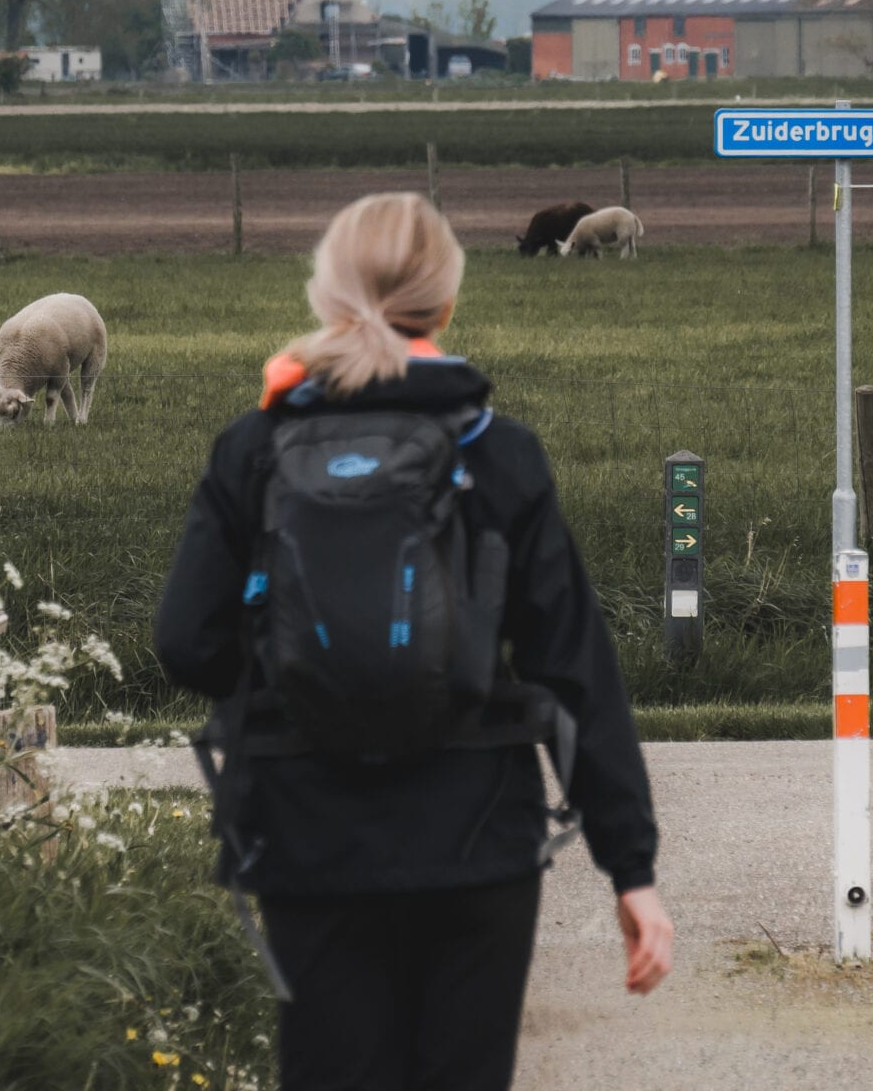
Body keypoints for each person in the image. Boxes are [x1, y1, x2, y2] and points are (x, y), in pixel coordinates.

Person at [154, 192, 671, 1090]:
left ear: (328, 296)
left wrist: (292, 674)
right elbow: (575, 667)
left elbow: (185, 644)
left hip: (305, 841)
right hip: (477, 843)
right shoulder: (497, 453)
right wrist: (630, 868)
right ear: (447, 301)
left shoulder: (254, 449)